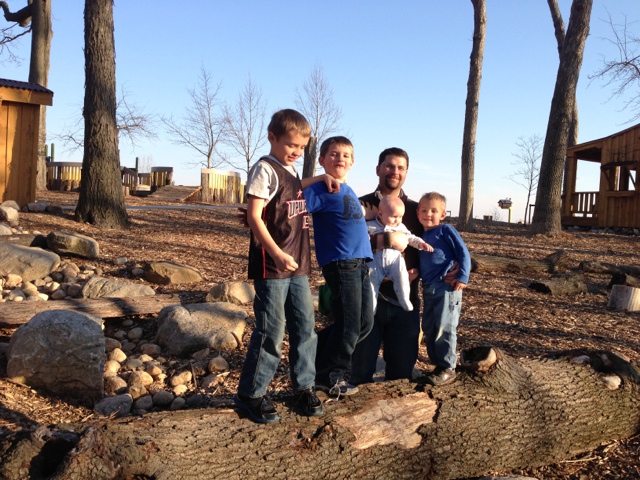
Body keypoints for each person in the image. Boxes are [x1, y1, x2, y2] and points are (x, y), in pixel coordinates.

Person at [234, 109, 338, 423]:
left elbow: (293, 187)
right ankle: (251, 394)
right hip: (273, 266)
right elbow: (254, 216)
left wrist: (320, 178)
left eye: (302, 147)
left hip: (298, 265)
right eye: (291, 144)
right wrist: (277, 253)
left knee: (305, 328)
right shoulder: (264, 168)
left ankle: (303, 387)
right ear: (272, 138)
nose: (296, 151)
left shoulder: (289, 171)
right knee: (271, 330)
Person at [304, 136, 373, 398]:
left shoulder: (349, 190)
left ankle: (311, 354)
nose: (340, 158)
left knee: (364, 323)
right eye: (334, 154)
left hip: (361, 263)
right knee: (349, 325)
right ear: (322, 160)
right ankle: (329, 377)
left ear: (352, 162)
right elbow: (291, 201)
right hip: (341, 262)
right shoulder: (319, 189)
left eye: (345, 155)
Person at [350, 147, 424, 385]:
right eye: (389, 166)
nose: (395, 171)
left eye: (401, 167)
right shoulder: (360, 205)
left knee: (401, 375)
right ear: (378, 169)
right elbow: (347, 244)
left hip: (404, 301)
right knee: (360, 373)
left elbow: (431, 245)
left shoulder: (416, 210)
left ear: (406, 173)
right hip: (366, 297)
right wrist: (386, 240)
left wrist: (424, 270)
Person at [417, 192, 471, 386]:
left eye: (434, 211)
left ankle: (448, 366)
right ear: (417, 212)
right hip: (428, 287)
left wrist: (463, 275)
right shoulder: (419, 236)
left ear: (443, 214)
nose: (428, 214)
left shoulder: (445, 230)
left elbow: (463, 252)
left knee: (445, 326)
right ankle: (438, 364)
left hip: (447, 286)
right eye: (424, 210)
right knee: (429, 327)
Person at [367, 195, 433, 313]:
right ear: (381, 214)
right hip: (375, 262)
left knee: (402, 278)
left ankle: (404, 298)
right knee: (371, 284)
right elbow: (360, 236)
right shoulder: (371, 225)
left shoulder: (400, 227)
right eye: (394, 217)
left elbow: (410, 237)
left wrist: (420, 243)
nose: (397, 220)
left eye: (400, 217)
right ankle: (371, 308)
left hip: (394, 261)